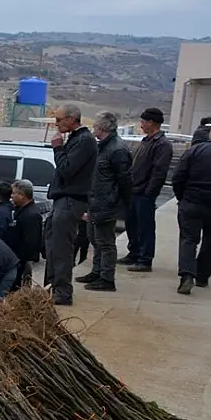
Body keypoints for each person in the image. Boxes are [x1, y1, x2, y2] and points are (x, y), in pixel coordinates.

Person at [45, 104, 97, 306]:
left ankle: (62, 292)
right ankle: (53, 286)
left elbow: (67, 169)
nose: (57, 125)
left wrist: (58, 147)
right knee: (51, 245)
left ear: (71, 119)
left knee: (61, 248)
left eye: (59, 120)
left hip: (70, 200)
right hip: (63, 200)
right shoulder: (78, 139)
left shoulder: (84, 141)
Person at [75, 112, 132, 292]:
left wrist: (119, 202)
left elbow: (124, 180)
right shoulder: (104, 147)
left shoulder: (117, 150)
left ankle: (107, 278)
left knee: (106, 242)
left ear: (103, 128)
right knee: (95, 239)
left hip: (106, 203)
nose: (94, 130)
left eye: (96, 127)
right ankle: (97, 271)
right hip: (96, 201)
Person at [120, 108, 172, 273]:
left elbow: (159, 172)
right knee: (132, 224)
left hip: (144, 193)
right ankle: (134, 252)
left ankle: (145, 259)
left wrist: (149, 193)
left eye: (143, 122)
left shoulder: (162, 145)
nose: (141, 125)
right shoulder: (146, 141)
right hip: (134, 191)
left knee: (145, 227)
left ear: (151, 123)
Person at [172, 125, 211, 294]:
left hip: (192, 201)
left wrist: (182, 197)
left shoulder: (196, 150)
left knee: (189, 240)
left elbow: (178, 176)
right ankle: (203, 277)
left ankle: (187, 276)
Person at [9, 180, 44, 290]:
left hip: (22, 260)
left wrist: (21, 260)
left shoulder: (31, 215)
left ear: (22, 195)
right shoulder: (20, 210)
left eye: (14, 193)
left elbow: (31, 242)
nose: (12, 196)